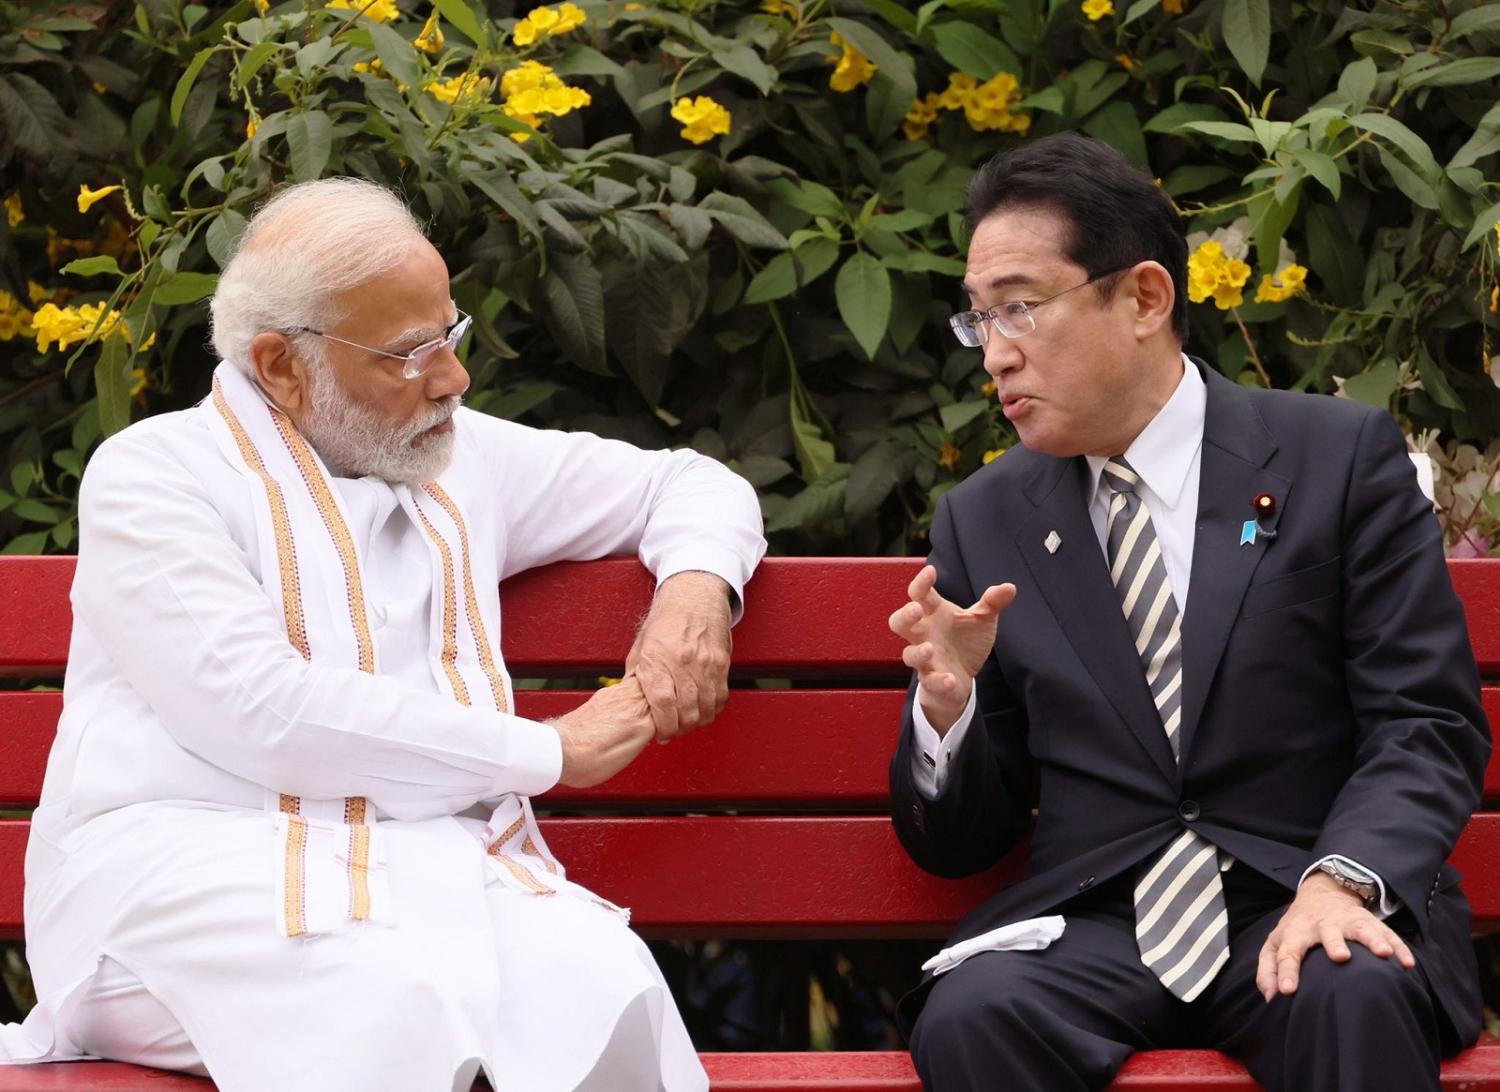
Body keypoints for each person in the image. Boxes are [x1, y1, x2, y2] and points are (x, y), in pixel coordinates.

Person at [0, 177, 766, 1091]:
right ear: (281, 364)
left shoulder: (455, 453)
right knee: (387, 999)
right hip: (178, 873)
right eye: (410, 353)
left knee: (596, 980)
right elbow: (260, 710)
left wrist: (694, 593)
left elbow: (687, 484)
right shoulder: (154, 475)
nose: (453, 378)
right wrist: (544, 750)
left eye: (450, 334)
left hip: (421, 870)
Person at [887, 133, 1489, 1091]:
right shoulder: (985, 516)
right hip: (1099, 920)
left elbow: (1426, 719)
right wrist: (950, 713)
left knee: (1350, 987)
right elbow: (964, 844)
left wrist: (1345, 877)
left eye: (1021, 309)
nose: (995, 353)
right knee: (977, 1014)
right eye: (979, 320)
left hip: (1302, 887)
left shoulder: (1335, 459)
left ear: (1144, 298)